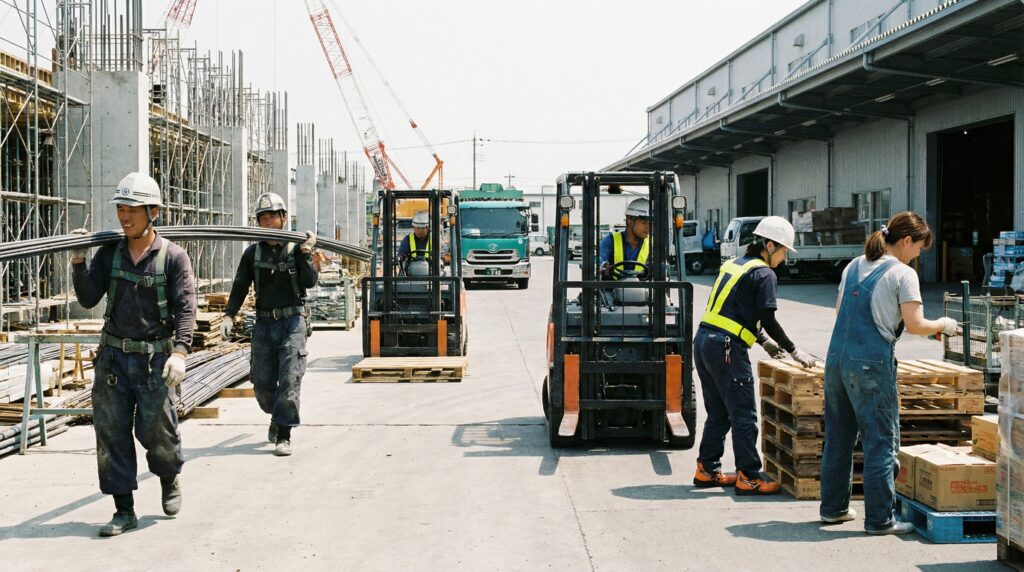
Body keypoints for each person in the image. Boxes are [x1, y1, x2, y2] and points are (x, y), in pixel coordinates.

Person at [70, 172, 196, 536]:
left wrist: (181, 352)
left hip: (155, 360)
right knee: (111, 434)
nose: (124, 217)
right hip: (113, 359)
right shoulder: (111, 253)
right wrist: (80, 263)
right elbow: (89, 298)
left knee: (158, 432)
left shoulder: (173, 257)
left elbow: (186, 309)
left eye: (132, 210)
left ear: (152, 211)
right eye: (120, 209)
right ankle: (123, 509)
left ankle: (169, 476)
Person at [819, 212, 956, 534]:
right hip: (871, 364)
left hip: (836, 359)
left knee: (838, 439)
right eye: (920, 248)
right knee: (880, 441)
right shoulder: (902, 273)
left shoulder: (854, 265)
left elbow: (841, 312)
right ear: (907, 241)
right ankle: (881, 519)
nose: (919, 255)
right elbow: (916, 325)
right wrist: (944, 325)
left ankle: (833, 510)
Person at [692, 215, 817, 495]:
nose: (784, 258)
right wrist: (794, 350)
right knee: (744, 413)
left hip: (704, 342)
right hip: (726, 347)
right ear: (770, 246)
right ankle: (748, 476)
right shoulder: (764, 273)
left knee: (720, 412)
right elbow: (767, 318)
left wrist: (763, 342)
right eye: (784, 251)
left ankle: (707, 470)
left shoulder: (734, 265)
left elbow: (735, 309)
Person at [220, 192, 318, 457]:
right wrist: (229, 315)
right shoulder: (252, 254)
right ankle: (277, 415)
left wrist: (307, 253)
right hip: (264, 324)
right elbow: (240, 286)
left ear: (284, 219)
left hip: (292, 322)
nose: (268, 223)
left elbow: (310, 282)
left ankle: (284, 434)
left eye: (272, 217)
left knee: (289, 380)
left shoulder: (297, 249)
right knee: (262, 386)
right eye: (263, 218)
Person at [599, 197, 650, 279]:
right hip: (612, 290)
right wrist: (603, 266)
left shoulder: (653, 245)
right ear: (630, 222)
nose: (648, 227)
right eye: (644, 223)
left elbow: (661, 268)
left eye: (650, 223)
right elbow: (598, 260)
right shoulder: (610, 240)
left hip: (643, 290)